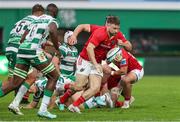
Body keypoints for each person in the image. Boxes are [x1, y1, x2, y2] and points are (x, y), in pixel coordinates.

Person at [59, 16, 132, 113]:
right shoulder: (99, 32)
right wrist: (74, 36)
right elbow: (89, 48)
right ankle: (61, 90)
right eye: (114, 28)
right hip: (85, 60)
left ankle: (74, 106)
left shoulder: (117, 35)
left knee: (95, 88)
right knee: (79, 86)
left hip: (96, 62)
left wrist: (123, 43)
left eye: (118, 28)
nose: (116, 30)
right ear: (108, 25)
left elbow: (130, 47)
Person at [6, 3, 60, 119]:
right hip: (33, 51)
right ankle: (43, 109)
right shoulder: (52, 20)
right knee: (54, 76)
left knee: (19, 80)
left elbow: (23, 37)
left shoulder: (36, 20)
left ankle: (15, 104)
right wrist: (57, 48)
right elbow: (52, 31)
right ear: (55, 13)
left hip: (22, 49)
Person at [0, 4, 44, 98]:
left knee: (12, 80)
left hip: (9, 49)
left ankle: (16, 102)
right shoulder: (36, 21)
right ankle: (18, 100)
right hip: (18, 50)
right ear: (40, 13)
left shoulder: (20, 21)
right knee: (32, 76)